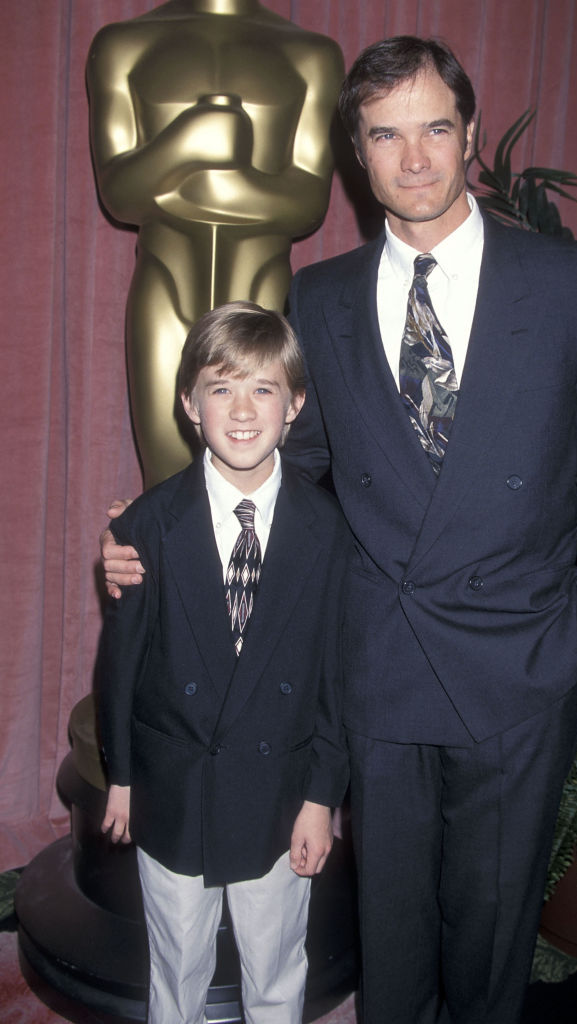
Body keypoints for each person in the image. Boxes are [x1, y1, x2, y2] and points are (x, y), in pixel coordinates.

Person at [102, 36, 577, 1024]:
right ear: (355, 157)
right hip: (377, 668)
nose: (414, 159)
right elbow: (291, 479)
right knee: (391, 948)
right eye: (385, 135)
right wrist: (159, 539)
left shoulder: (572, 283)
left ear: (473, 138)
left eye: (436, 129)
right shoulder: (316, 299)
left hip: (521, 667)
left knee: (489, 951)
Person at [97, 301, 349, 1024]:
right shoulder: (146, 523)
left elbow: (336, 677)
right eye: (219, 387)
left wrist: (319, 798)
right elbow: (122, 662)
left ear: (294, 404)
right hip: (174, 786)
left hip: (278, 790)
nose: (242, 409)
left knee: (275, 964)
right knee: (176, 965)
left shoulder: (329, 530)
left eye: (263, 388)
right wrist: (120, 778)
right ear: (188, 404)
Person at [87, 0, 343, 486]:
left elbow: (308, 202)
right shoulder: (124, 46)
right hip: (164, 286)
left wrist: (191, 176)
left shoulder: (310, 54)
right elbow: (119, 194)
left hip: (262, 290)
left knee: (256, 482)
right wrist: (187, 140)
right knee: (166, 486)